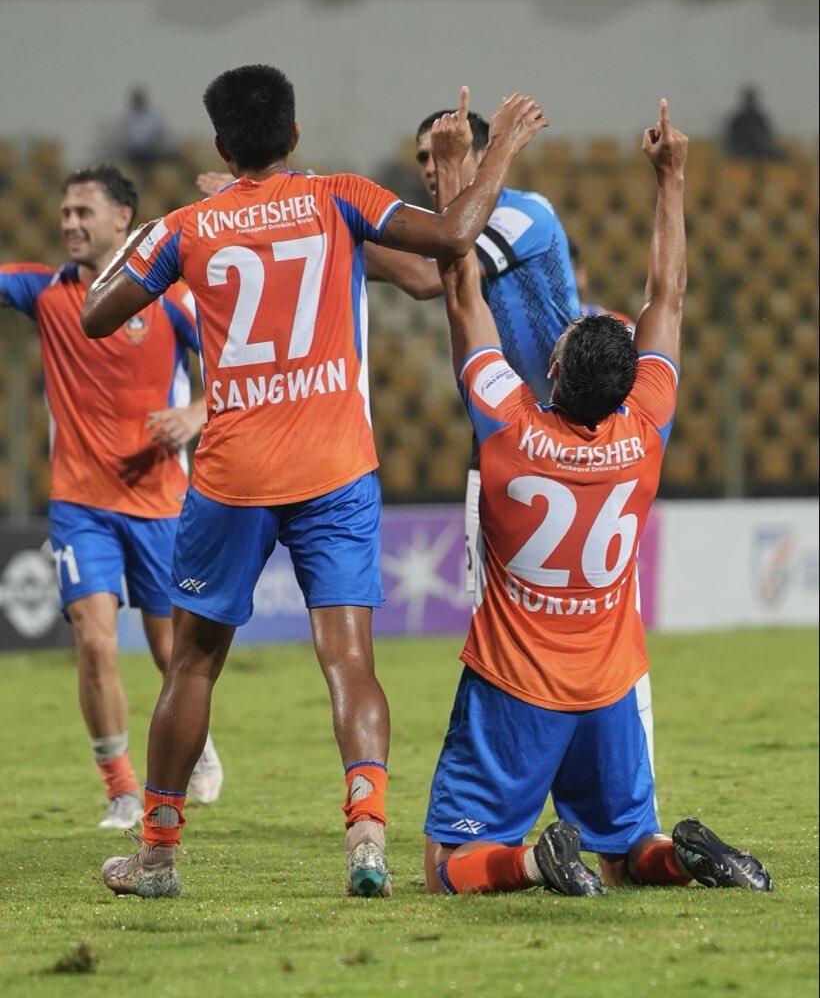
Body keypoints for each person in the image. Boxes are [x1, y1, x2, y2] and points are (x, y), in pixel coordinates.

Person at [81, 65, 547, 899]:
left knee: (191, 666)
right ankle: (366, 834)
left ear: (222, 144)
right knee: (349, 662)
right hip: (335, 467)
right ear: (294, 135)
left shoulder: (188, 225)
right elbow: (449, 239)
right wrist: (499, 146)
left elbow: (96, 315)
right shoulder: (339, 197)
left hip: (232, 473)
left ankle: (155, 857)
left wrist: (157, 235)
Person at [421, 98, 772, 898]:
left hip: (517, 685)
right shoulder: (643, 432)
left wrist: (461, 171)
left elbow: (457, 283)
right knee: (625, 854)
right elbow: (669, 295)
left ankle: (528, 861)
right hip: (610, 685)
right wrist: (672, 182)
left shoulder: (507, 430)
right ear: (630, 386)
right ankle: (679, 859)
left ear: (553, 370)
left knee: (446, 868)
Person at [198, 101, 579, 596]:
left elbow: (425, 277)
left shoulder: (523, 212)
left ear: (482, 154)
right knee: (488, 592)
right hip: (499, 423)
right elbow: (389, 262)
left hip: (565, 418)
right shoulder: (441, 227)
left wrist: (320, 214)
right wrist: (295, 222)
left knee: (568, 593)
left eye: (440, 153)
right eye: (422, 158)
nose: (429, 167)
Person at [0, 163, 224, 829]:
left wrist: (197, 413)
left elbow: (234, 362)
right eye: (65, 214)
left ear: (122, 219)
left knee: (169, 652)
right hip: (79, 505)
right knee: (96, 645)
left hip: (159, 502)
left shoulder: (169, 298)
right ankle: (122, 787)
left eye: (83, 213)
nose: (70, 224)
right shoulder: (44, 292)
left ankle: (198, 743)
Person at [119, 87, 177, 173]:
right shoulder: (129, 118)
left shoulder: (154, 116)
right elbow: (127, 139)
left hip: (153, 150)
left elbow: (162, 134)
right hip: (136, 154)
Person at [723, 85, 782, 161]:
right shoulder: (738, 119)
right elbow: (731, 138)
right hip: (741, 150)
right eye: (748, 99)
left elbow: (768, 136)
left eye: (751, 99)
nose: (750, 102)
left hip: (759, 150)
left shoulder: (760, 119)